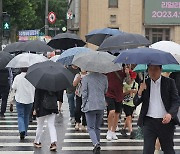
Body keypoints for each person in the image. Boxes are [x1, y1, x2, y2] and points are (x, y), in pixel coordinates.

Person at [133, 65, 180, 154]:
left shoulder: (169, 82)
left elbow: (176, 101)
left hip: (165, 122)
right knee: (147, 150)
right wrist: (140, 91)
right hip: (149, 122)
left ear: (160, 70)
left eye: (155, 69)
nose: (152, 72)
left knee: (168, 149)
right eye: (150, 70)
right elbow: (135, 102)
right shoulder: (144, 83)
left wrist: (170, 114)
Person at [81, 72, 108, 154]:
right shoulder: (104, 77)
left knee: (90, 127)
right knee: (97, 127)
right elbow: (105, 90)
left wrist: (83, 104)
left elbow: (84, 93)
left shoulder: (86, 78)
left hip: (90, 105)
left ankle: (96, 144)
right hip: (101, 104)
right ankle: (97, 143)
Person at [106, 67, 130, 141]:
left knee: (117, 113)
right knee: (111, 111)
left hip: (119, 94)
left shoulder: (122, 70)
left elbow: (128, 82)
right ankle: (109, 130)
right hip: (109, 93)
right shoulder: (107, 70)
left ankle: (113, 131)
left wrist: (127, 73)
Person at [11, 67, 35, 140]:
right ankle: (25, 132)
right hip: (29, 99)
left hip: (20, 98)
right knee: (26, 116)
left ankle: (22, 130)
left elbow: (14, 87)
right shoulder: (32, 77)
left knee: (20, 115)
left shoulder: (18, 77)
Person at [121, 71, 138, 139]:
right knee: (128, 117)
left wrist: (135, 91)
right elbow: (123, 93)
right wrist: (129, 91)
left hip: (132, 103)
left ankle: (124, 129)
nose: (132, 79)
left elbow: (138, 92)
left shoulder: (136, 84)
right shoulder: (125, 85)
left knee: (129, 117)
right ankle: (131, 131)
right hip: (126, 103)